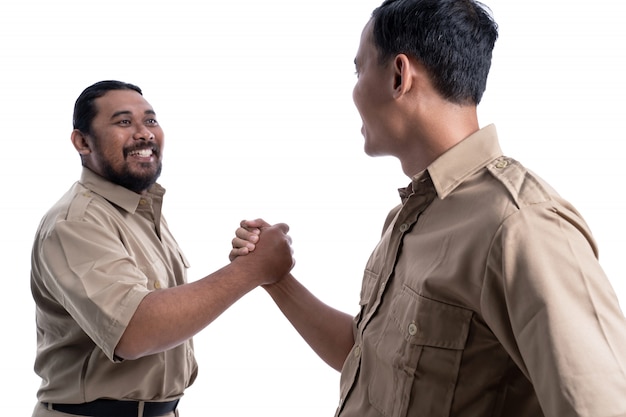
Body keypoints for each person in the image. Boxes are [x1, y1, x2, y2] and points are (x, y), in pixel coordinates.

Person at [229, 0, 626, 416]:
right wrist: (275, 279)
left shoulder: (520, 224)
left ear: (399, 75)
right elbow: (368, 356)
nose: (354, 89)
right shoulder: (411, 217)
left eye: (358, 69)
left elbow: (598, 405)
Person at [29, 80, 294, 417]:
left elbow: (170, 313)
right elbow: (134, 331)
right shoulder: (76, 223)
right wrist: (249, 270)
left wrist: (251, 261)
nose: (144, 134)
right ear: (82, 142)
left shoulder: (141, 210)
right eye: (124, 122)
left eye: (150, 121)